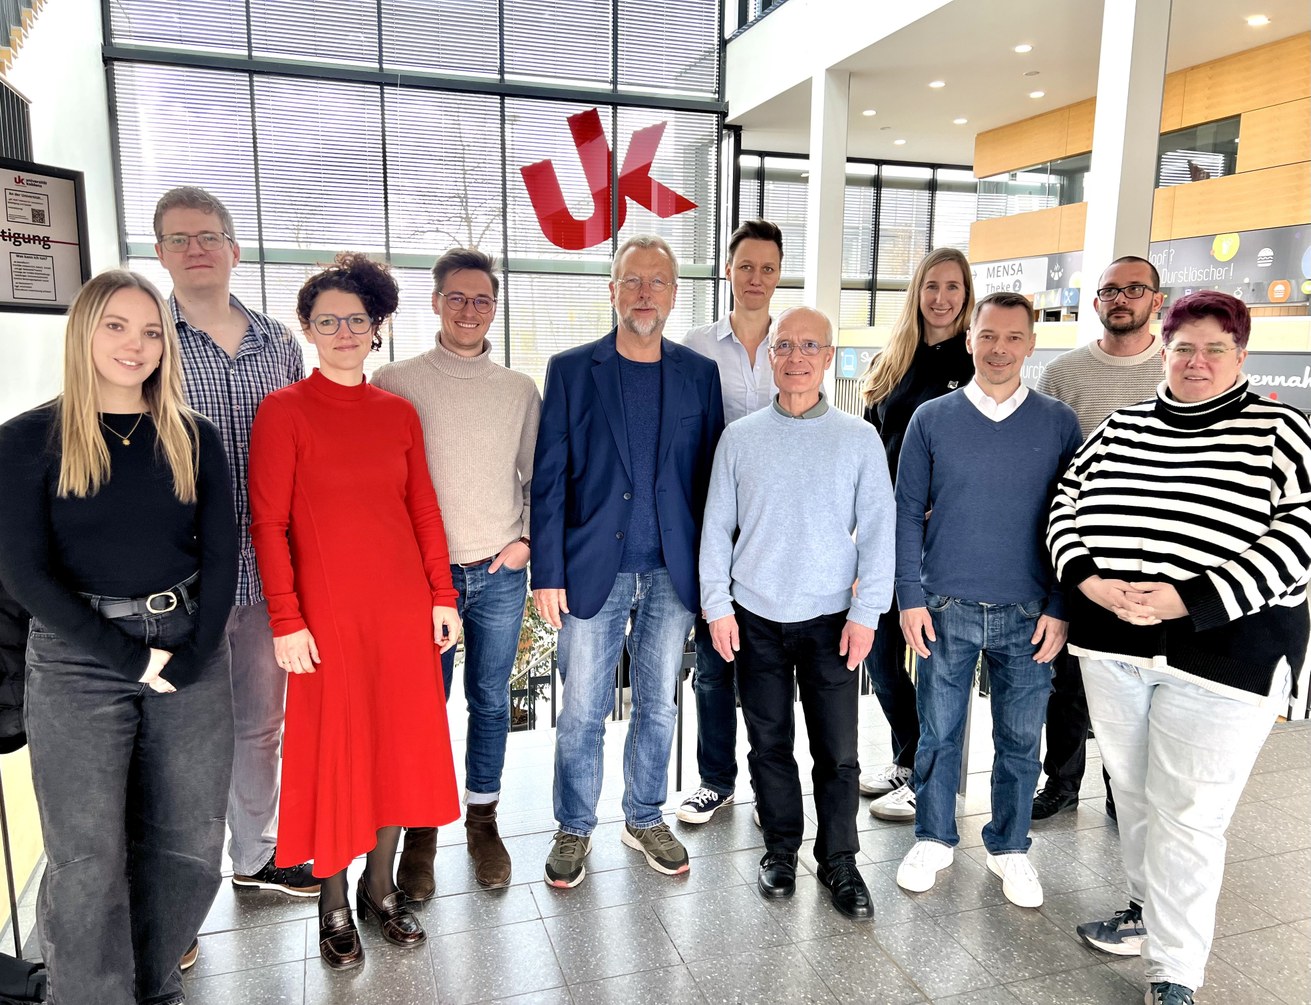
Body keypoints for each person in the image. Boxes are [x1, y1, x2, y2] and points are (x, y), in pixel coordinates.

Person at [1048, 291, 1311, 1005]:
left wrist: (1188, 600)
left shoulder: (1281, 432)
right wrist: (1088, 579)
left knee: (1188, 815)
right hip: (1114, 646)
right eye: (1184, 347)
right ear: (1164, 351)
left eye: (1214, 348)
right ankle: (1145, 909)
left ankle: (1174, 972)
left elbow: (1298, 539)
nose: (1197, 361)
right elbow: (1065, 505)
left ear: (1240, 354)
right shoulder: (1121, 427)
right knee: (1133, 793)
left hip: (1227, 658)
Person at [0, 270, 238, 1004]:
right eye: (116, 325)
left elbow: (223, 552)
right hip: (77, 658)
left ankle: (154, 984)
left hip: (189, 646)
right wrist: (131, 658)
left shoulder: (193, 436)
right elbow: (23, 574)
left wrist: (194, 652)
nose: (135, 344)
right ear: (84, 333)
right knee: (86, 857)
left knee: (190, 843)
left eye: (151, 330)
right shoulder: (27, 439)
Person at [248, 252, 462, 969]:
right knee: (337, 756)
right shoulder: (284, 412)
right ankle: (332, 900)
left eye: (357, 320)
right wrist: (286, 619)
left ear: (378, 327)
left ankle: (381, 887)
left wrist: (441, 595)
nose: (344, 332)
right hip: (326, 620)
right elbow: (268, 525)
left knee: (395, 750)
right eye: (327, 321)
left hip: (401, 612)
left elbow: (422, 509)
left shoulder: (397, 413)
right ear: (306, 329)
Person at [532, 234, 724, 888]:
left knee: (658, 704)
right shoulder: (570, 370)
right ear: (612, 290)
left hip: (673, 570)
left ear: (674, 293)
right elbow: (549, 479)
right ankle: (573, 825)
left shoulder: (699, 374)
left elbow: (711, 482)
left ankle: (644, 816)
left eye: (657, 281)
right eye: (632, 281)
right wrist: (547, 572)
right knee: (582, 708)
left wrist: (713, 576)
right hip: (593, 568)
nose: (645, 293)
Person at [700, 306, 894, 919]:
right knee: (768, 744)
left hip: (832, 619)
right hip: (753, 616)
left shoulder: (858, 438)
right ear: (772, 356)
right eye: (785, 345)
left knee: (837, 752)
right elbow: (715, 529)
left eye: (811, 346)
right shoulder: (740, 438)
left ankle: (839, 860)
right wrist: (716, 606)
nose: (796, 357)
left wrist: (867, 613)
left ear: (829, 358)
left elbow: (880, 532)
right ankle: (780, 850)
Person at [892, 292, 1082, 909]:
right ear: (970, 338)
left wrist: (1061, 605)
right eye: (989, 335)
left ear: (1031, 344)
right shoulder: (932, 419)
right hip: (944, 605)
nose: (1000, 348)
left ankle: (1010, 845)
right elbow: (905, 513)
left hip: (1029, 612)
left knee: (1021, 739)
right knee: (938, 734)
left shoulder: (1058, 422)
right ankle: (933, 837)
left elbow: (1072, 518)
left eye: (1013, 337)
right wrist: (910, 597)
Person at [153, 186, 316, 897]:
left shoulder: (279, 342)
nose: (196, 249)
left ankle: (255, 857)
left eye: (208, 236)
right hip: (179, 578)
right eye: (180, 239)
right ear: (160, 253)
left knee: (261, 726)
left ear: (234, 250)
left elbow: (308, 445)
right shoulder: (147, 340)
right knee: (178, 733)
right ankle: (179, 889)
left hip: (268, 572)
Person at [373, 247, 541, 894]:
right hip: (423, 579)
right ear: (436, 302)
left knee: (491, 701)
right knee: (424, 706)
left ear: (494, 307)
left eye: (482, 300)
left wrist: (525, 540)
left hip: (498, 570)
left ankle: (482, 819)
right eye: (457, 297)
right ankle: (422, 829)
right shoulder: (395, 381)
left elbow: (541, 477)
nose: (469, 310)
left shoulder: (518, 390)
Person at [1031, 255, 1165, 823]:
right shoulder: (1063, 374)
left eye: (1134, 289)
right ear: (1095, 302)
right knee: (1068, 681)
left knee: (1136, 684)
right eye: (1110, 291)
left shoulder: (1174, 369)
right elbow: (1047, 467)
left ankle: (1121, 792)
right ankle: (1061, 784)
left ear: (1156, 300)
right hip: (1079, 555)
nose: (1121, 299)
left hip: (1154, 561)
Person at [857, 247, 976, 823]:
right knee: (880, 657)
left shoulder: (974, 364)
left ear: (966, 294)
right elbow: (871, 444)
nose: (941, 297)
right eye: (932, 285)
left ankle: (929, 777)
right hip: (885, 530)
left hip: (941, 538)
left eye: (953, 286)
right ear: (917, 292)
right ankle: (910, 758)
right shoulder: (892, 360)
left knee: (936, 664)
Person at [677, 218, 782, 826]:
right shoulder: (695, 345)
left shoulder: (792, 344)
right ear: (728, 271)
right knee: (714, 667)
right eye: (746, 266)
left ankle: (772, 783)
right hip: (710, 520)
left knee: (768, 668)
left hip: (776, 528)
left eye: (767, 268)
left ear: (779, 275)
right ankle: (715, 781)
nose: (756, 278)